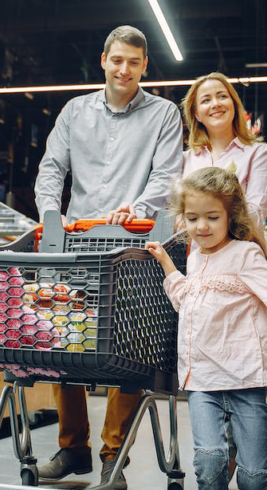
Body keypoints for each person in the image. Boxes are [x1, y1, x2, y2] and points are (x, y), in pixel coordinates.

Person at [34, 25, 183, 488]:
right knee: (67, 343)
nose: (124, 70)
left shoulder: (163, 114)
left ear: (144, 66)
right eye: (117, 60)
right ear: (103, 59)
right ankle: (72, 448)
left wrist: (137, 209)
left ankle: (112, 458)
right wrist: (49, 216)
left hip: (134, 245)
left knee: (131, 351)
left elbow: (166, 176)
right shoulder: (74, 111)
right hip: (76, 244)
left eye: (134, 63)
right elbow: (52, 166)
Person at [146, 167, 267, 490]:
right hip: (202, 377)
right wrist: (167, 264)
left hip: (245, 377)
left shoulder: (245, 254)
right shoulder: (193, 258)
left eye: (212, 217)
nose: (201, 226)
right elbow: (187, 301)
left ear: (230, 216)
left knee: (253, 476)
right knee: (209, 461)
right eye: (192, 218)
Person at [108, 71, 267, 228]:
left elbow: (255, 212)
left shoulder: (260, 153)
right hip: (188, 256)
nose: (216, 104)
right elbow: (166, 207)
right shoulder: (182, 160)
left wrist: (197, 222)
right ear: (196, 114)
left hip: (238, 253)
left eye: (222, 96)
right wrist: (135, 210)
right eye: (206, 100)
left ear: (234, 104)